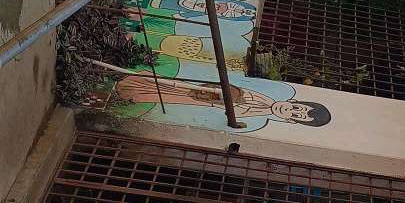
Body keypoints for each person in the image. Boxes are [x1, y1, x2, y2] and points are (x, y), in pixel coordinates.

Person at [115, 74, 331, 128]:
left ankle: (134, 92)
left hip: (207, 102)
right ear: (294, 101)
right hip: (208, 92)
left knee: (170, 95)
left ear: (291, 121)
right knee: (174, 87)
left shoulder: (261, 115)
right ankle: (136, 83)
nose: (291, 110)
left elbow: (236, 112)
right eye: (298, 108)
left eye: (297, 115)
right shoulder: (264, 97)